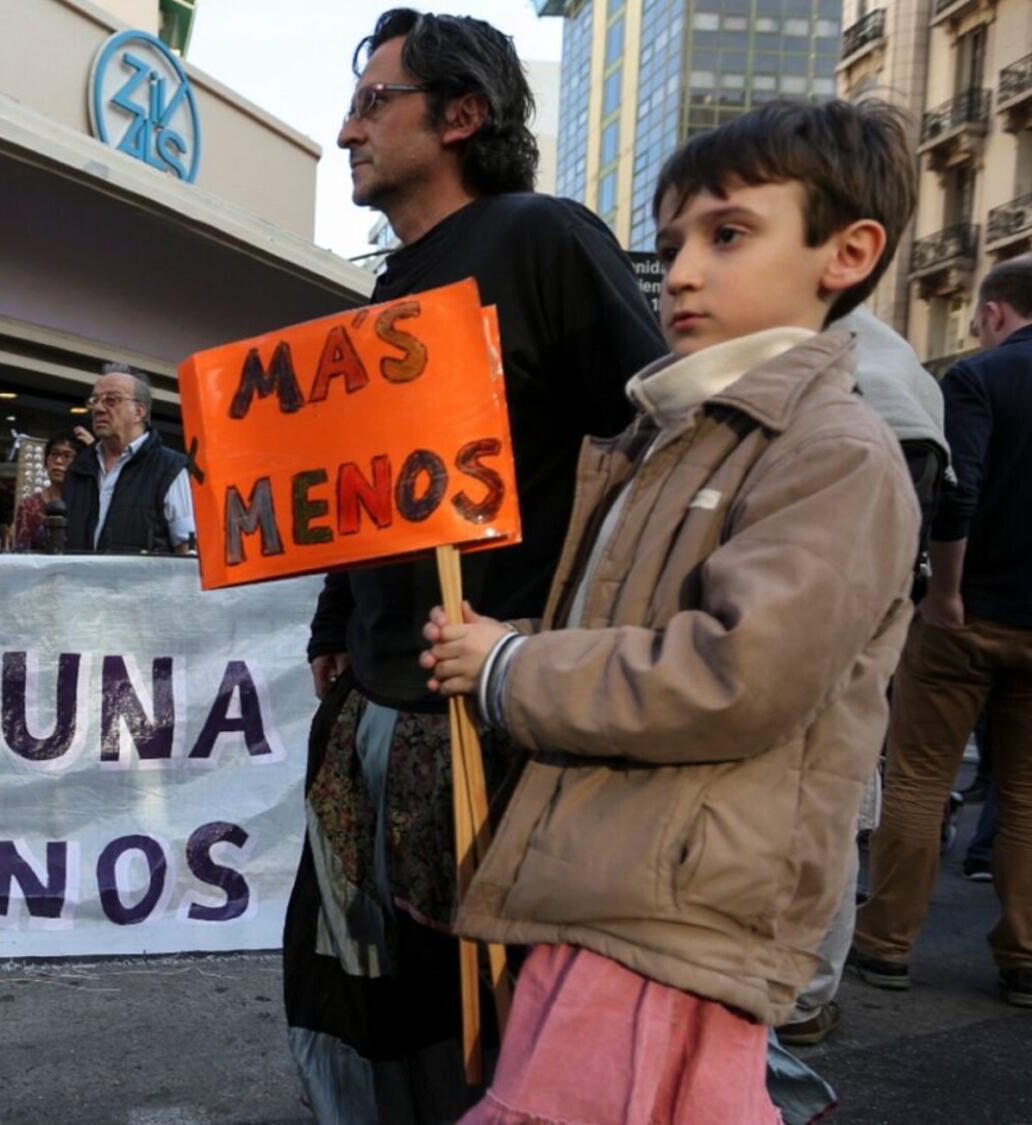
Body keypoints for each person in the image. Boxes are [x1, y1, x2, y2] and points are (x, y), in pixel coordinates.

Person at [423, 98, 921, 1121]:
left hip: (675, 912)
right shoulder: (674, 432)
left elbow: (736, 675)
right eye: (671, 242)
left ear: (847, 252)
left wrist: (509, 667)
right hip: (617, 890)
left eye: (727, 234)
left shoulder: (830, 451)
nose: (682, 270)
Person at [283, 10, 664, 1121]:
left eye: (372, 102)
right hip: (376, 703)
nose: (345, 129)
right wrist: (332, 628)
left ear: (460, 116)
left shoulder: (541, 239)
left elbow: (651, 438)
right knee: (370, 980)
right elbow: (365, 487)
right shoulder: (389, 285)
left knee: (494, 994)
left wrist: (559, 647)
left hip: (492, 716)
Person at [853, 254, 1032, 1010]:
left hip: (967, 612)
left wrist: (944, 593)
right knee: (1025, 794)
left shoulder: (977, 379)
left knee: (921, 777)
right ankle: (1024, 954)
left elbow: (959, 490)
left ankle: (887, 944)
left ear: (993, 312)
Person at [773, 303, 949, 1049]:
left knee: (840, 795)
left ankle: (806, 986)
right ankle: (807, 992)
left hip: (805, 604)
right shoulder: (901, 365)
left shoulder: (830, 361)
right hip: (870, 605)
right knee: (835, 797)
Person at [60, 364, 194, 553]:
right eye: (94, 400)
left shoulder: (170, 468)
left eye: (111, 400)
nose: (98, 408)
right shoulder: (79, 468)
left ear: (139, 412)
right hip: (78, 582)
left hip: (145, 582)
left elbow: (186, 547)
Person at [11, 437, 76, 551]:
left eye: (67, 456)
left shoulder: (84, 505)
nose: (59, 461)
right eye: (54, 454)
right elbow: (22, 552)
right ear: (46, 462)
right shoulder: (29, 506)